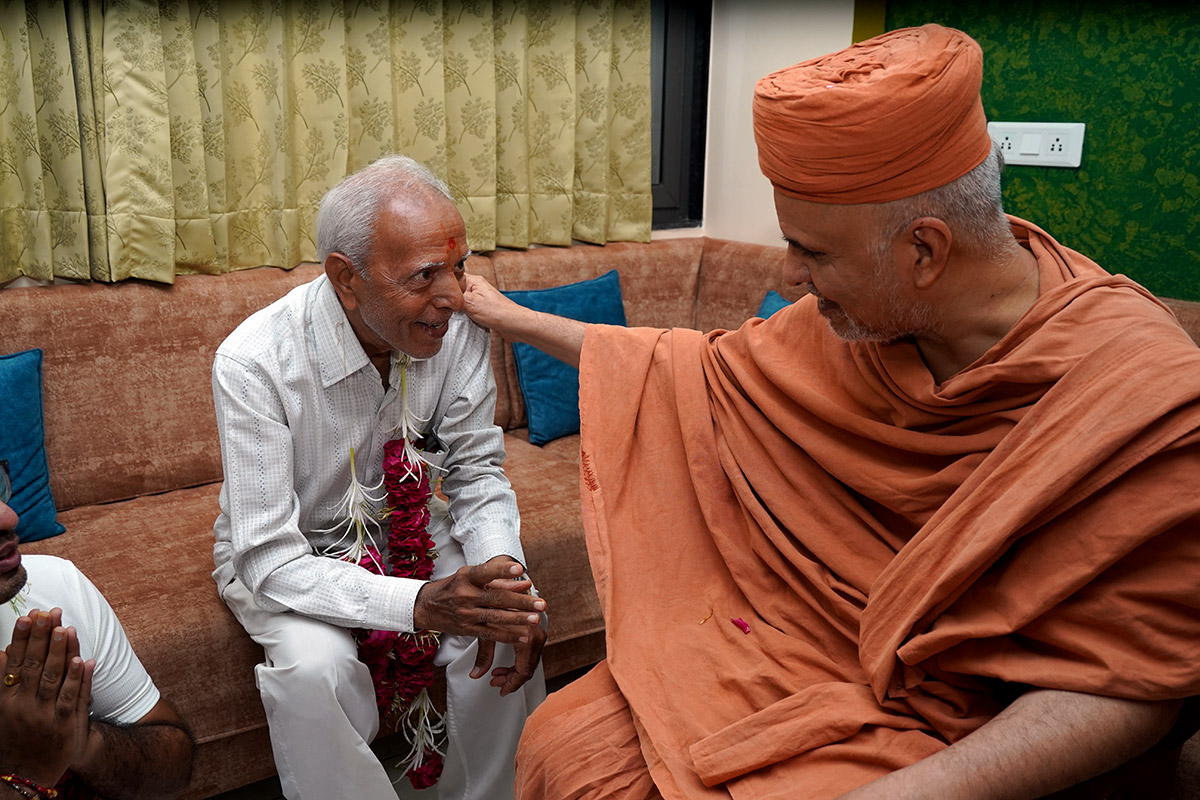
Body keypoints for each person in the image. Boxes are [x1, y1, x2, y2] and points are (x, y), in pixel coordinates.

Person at [461, 24, 1200, 800]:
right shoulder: (855, 327)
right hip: (805, 646)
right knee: (567, 743)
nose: (790, 276)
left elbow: (1132, 681)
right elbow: (689, 365)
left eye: (811, 252)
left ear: (924, 251)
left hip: (973, 729)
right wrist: (516, 318)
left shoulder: (1144, 399)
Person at [212, 155, 547, 800]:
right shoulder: (254, 362)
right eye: (424, 275)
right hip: (296, 552)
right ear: (347, 278)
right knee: (314, 671)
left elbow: (476, 471)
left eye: (459, 266)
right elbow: (268, 556)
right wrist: (417, 603)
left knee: (504, 614)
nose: (452, 296)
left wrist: (504, 576)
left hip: (410, 529)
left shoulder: (455, 327)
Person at [0, 461, 195, 799]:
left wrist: (76, 739)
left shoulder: (55, 583)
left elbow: (175, 765)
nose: (9, 517)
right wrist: (28, 772)